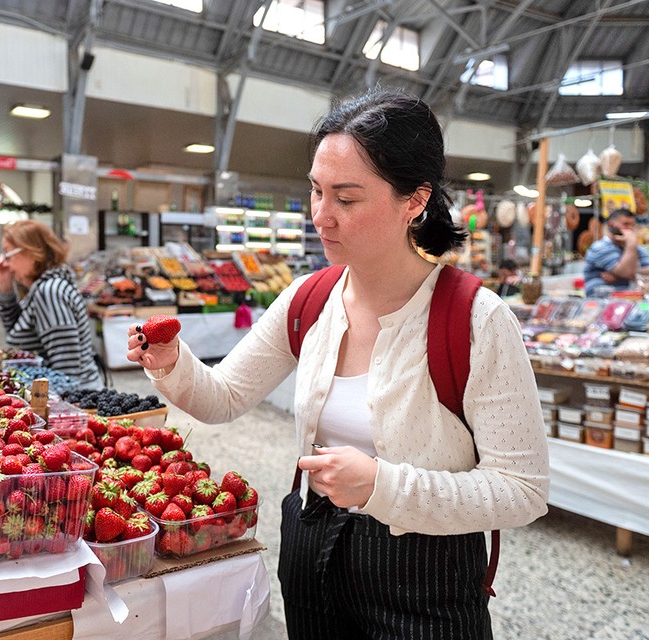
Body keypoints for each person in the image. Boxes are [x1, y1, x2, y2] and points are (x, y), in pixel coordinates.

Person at [126, 89, 549, 639]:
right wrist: (170, 362)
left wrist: (382, 485)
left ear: (414, 200)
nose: (321, 217)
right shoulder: (309, 299)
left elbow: (522, 489)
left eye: (346, 199)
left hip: (425, 579)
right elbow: (223, 397)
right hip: (311, 552)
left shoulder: (476, 319)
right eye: (316, 192)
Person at [0, 220, 102, 389]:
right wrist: (5, 286)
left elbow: (66, 371)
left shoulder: (49, 292)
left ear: (31, 252)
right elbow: (16, 331)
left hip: (75, 400)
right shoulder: (42, 287)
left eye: (8, 253)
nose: (4, 262)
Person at [583, 208, 649, 296]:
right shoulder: (600, 247)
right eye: (626, 224)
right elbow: (626, 272)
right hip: (600, 302)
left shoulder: (636, 248)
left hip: (629, 300)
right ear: (610, 225)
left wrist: (618, 276)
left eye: (632, 225)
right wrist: (631, 243)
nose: (630, 229)